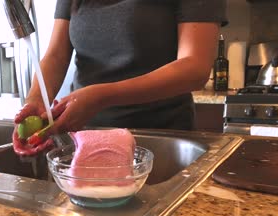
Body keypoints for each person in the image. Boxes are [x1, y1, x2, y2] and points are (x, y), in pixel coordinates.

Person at [13, 0, 227, 156]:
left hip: (159, 139)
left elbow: (194, 67)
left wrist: (102, 97)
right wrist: (36, 99)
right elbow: (56, 55)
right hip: (86, 138)